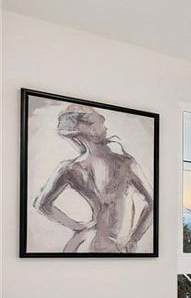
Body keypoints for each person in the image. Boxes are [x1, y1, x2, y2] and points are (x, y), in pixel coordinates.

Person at [33, 104, 154, 253]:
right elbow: (154, 202)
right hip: (113, 245)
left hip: (85, 242)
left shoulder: (70, 168)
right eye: (101, 123)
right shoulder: (126, 164)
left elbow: (42, 204)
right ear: (90, 129)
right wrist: (134, 239)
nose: (106, 128)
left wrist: (78, 226)